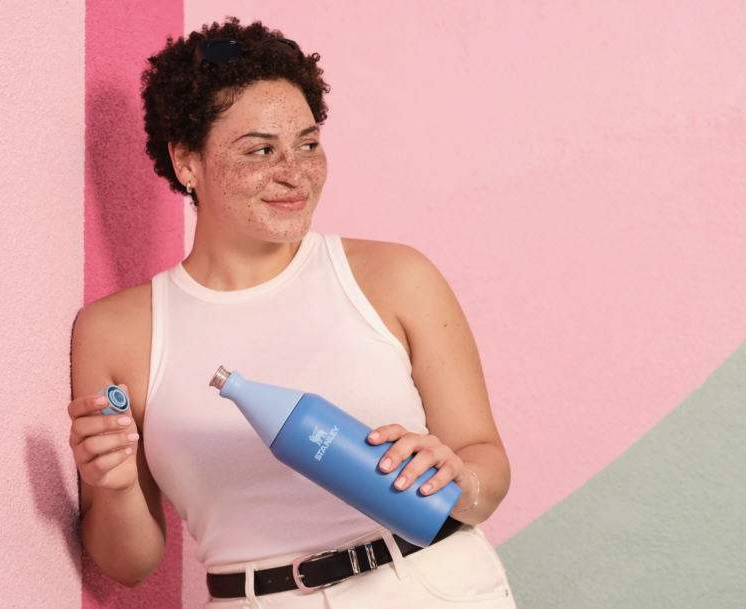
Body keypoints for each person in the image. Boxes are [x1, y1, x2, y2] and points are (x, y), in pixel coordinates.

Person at [68, 16, 516, 608]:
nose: (295, 173)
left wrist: (459, 477)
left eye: (308, 144)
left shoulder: (394, 278)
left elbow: (486, 466)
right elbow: (127, 566)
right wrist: (115, 484)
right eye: (260, 151)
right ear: (187, 162)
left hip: (431, 584)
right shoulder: (116, 331)